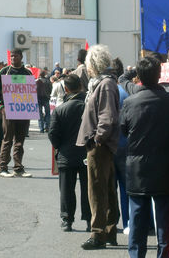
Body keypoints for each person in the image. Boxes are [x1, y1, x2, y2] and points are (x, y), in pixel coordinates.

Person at [120, 56, 169, 258]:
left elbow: (123, 129)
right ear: (159, 75)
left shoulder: (130, 102)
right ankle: (164, 255)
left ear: (139, 76)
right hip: (165, 166)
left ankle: (136, 255)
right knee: (164, 218)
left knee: (137, 217)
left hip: (137, 167)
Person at [76, 44, 119, 250]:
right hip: (100, 143)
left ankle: (98, 233)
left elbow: (107, 116)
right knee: (106, 188)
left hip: (99, 145)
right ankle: (108, 230)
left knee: (97, 189)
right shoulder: (102, 83)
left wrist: (98, 139)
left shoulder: (105, 84)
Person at [48, 74, 91, 232]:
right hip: (86, 153)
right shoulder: (87, 107)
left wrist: (60, 147)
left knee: (66, 189)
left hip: (66, 154)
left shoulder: (60, 110)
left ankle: (67, 220)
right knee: (88, 189)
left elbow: (52, 134)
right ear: (80, 86)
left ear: (65, 89)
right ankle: (89, 220)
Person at [0, 48, 33, 178]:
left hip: (23, 112)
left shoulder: (27, 73)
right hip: (8, 111)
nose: (13, 59)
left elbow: (31, 93)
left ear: (21, 57)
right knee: (7, 140)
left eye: (15, 56)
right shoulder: (4, 72)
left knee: (20, 140)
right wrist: (1, 106)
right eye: (11, 57)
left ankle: (18, 167)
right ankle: (2, 168)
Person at [112, 57, 130, 234]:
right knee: (126, 187)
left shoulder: (105, 90)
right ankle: (128, 222)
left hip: (109, 143)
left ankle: (111, 223)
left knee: (110, 187)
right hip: (126, 143)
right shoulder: (127, 90)